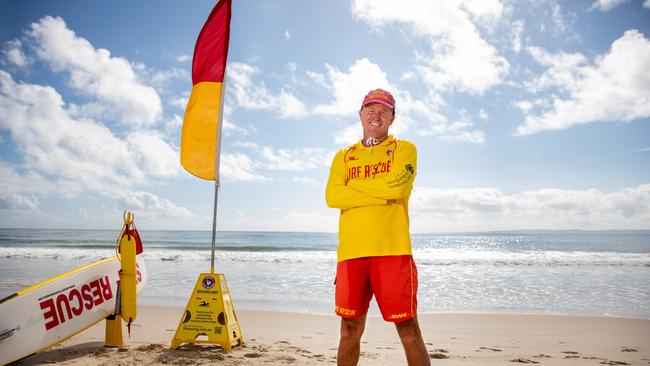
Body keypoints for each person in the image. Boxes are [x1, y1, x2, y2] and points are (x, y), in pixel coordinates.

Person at [326, 89, 430, 366]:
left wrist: (355, 188)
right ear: (360, 114)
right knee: (349, 329)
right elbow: (333, 197)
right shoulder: (344, 157)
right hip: (351, 254)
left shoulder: (404, 149)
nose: (376, 115)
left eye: (384, 111)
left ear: (392, 118)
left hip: (392, 251)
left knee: (408, 330)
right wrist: (382, 192)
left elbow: (399, 187)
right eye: (370, 109)